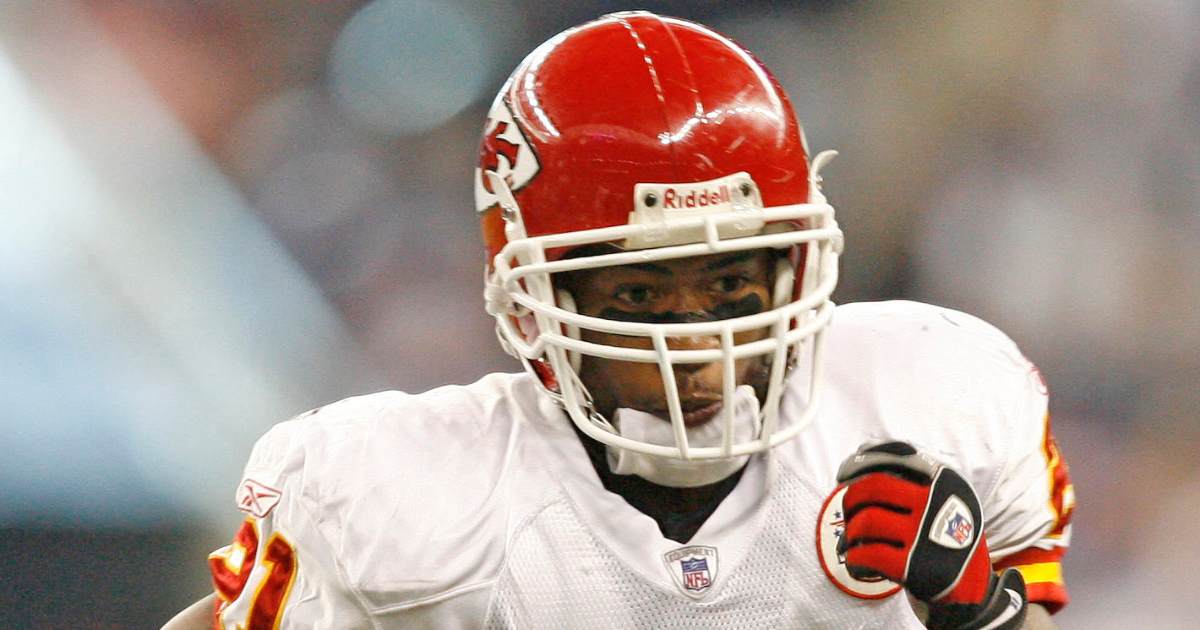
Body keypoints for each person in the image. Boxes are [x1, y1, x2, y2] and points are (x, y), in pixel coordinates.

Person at [161, 10, 1073, 630]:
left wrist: (977, 608)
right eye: (639, 295)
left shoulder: (933, 396)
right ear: (533, 299)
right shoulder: (391, 497)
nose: (700, 348)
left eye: (732, 284)